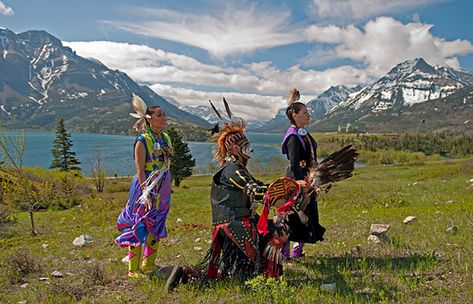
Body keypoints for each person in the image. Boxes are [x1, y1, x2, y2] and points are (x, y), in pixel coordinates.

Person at [157, 99, 291, 291]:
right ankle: (268, 273)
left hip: (237, 225)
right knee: (277, 229)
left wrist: (288, 188)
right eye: (245, 145)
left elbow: (259, 186)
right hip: (236, 226)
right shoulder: (232, 170)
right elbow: (255, 191)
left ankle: (185, 273)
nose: (248, 149)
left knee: (231, 273)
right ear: (234, 149)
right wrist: (282, 193)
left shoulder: (235, 169)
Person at [115, 93, 173, 278]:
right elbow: (140, 168)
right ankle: (133, 268)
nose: (164, 118)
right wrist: (144, 191)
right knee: (138, 221)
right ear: (148, 119)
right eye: (159, 115)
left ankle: (149, 264)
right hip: (145, 185)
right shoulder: (142, 141)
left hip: (162, 185)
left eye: (163, 115)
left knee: (156, 221)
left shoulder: (165, 138)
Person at [280, 88, 326, 260]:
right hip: (296, 181)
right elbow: (294, 162)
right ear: (295, 115)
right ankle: (285, 254)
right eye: (305, 112)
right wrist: (300, 181)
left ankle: (297, 251)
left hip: (307, 179)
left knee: (308, 215)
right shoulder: (293, 136)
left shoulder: (302, 133)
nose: (309, 115)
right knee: (292, 216)